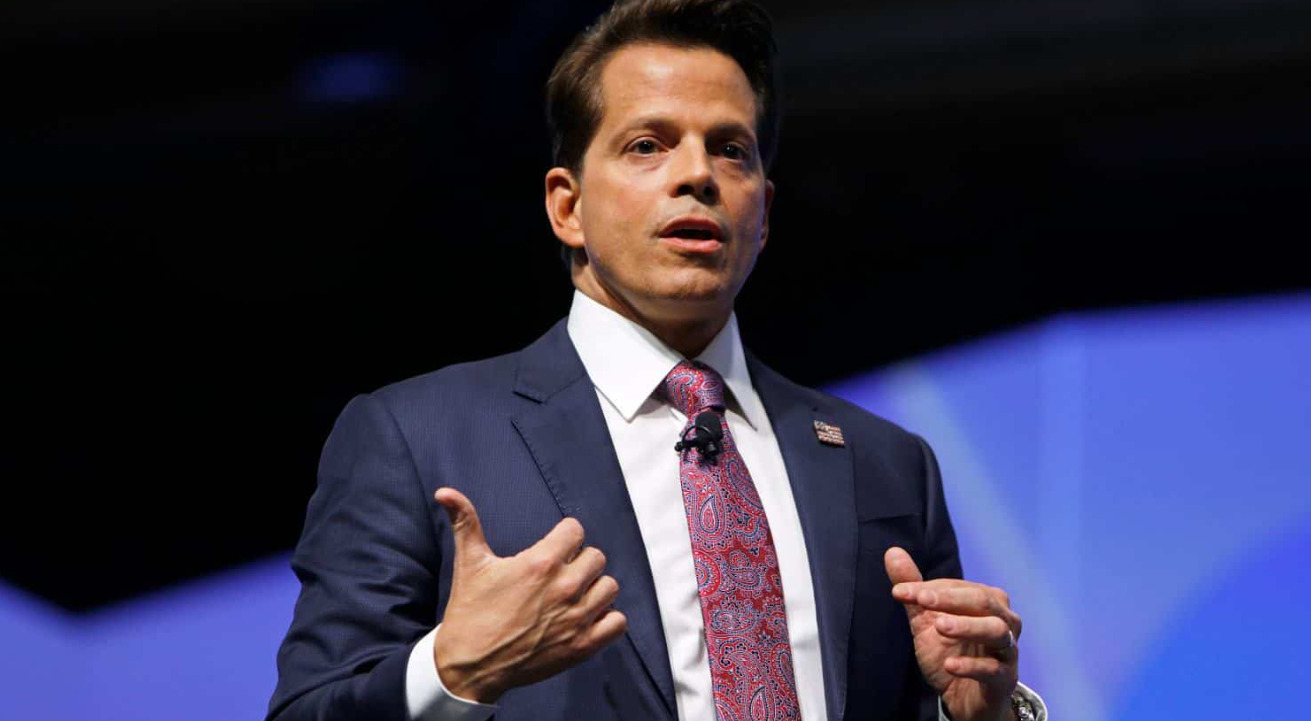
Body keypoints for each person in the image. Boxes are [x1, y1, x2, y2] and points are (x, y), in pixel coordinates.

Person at [266, 1, 1046, 720]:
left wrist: (978, 713)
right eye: (648, 145)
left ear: (764, 214)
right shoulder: (417, 437)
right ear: (566, 206)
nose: (697, 174)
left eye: (730, 150)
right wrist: (450, 671)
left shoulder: (886, 463)